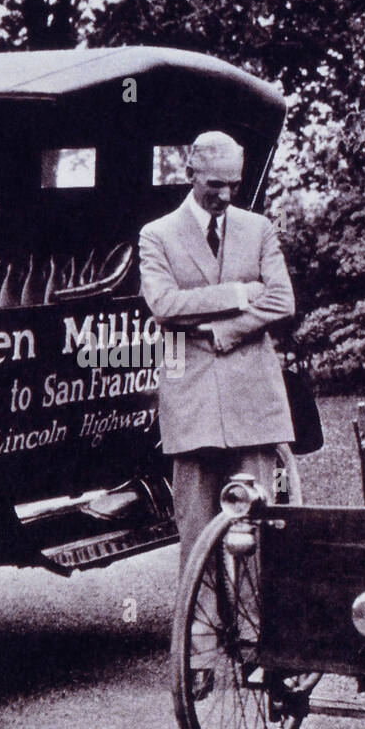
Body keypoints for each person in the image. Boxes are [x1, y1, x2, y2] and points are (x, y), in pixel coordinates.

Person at [138, 130, 295, 576]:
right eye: (214, 185)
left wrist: (220, 329)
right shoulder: (157, 235)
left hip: (253, 401)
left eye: (234, 185)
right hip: (191, 403)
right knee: (197, 536)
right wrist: (241, 293)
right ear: (190, 174)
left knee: (256, 532)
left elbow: (283, 301)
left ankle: (255, 639)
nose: (225, 195)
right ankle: (201, 643)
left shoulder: (259, 229)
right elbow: (164, 305)